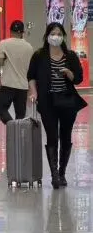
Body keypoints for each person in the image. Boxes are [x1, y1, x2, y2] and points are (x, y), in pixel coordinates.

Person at [27, 22, 86, 189]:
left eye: (59, 34)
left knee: (66, 136)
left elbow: (78, 79)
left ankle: (62, 173)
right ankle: (54, 175)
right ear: (47, 36)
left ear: (63, 37)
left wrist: (69, 73)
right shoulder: (39, 55)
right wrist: (34, 92)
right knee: (52, 136)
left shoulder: (70, 56)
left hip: (67, 101)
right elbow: (31, 76)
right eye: (53, 33)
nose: (56, 37)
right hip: (48, 102)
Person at [0, 20, 35, 124]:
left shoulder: (4, 43)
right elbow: (30, 67)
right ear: (22, 32)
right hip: (23, 86)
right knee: (20, 115)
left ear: (11, 31)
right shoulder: (29, 47)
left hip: (8, 84)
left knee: (1, 108)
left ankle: (11, 126)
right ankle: (18, 131)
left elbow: (0, 62)